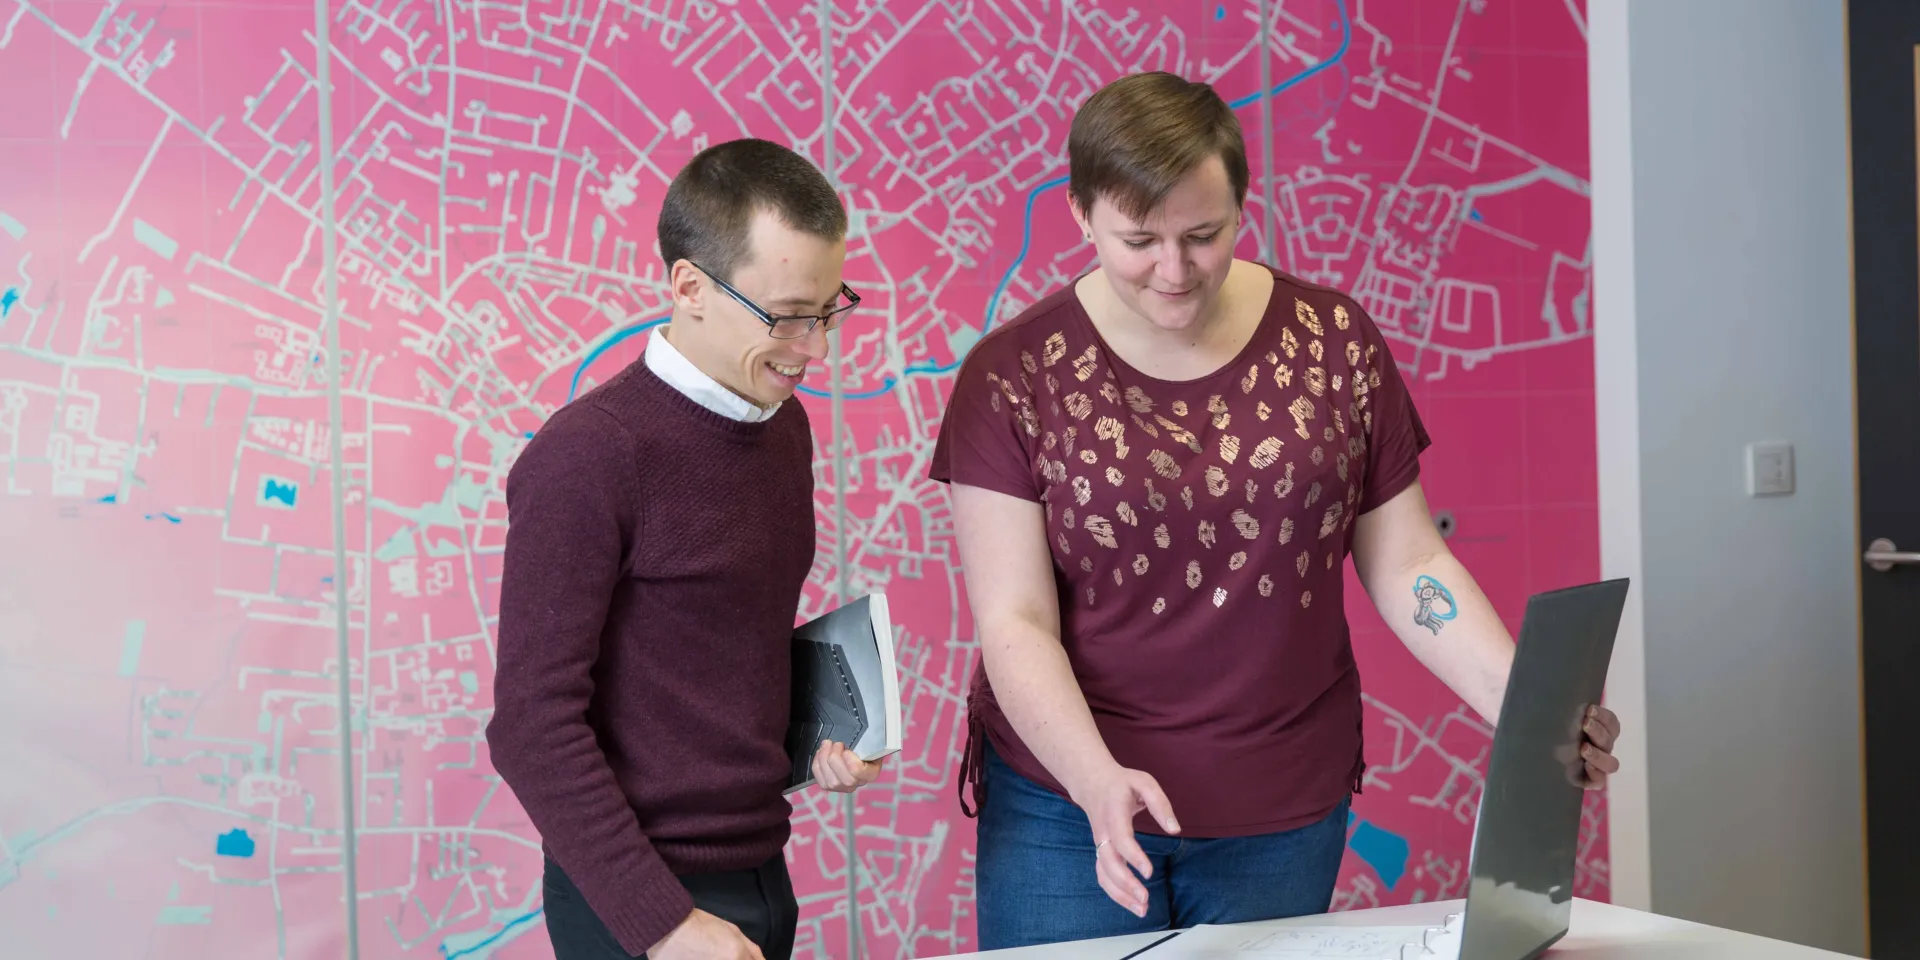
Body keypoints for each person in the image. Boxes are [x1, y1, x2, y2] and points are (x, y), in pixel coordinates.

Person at [928, 72, 1622, 949]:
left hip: (1281, 806)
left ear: (1242, 206)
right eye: (1137, 240)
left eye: (1203, 235)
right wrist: (1095, 778)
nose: (1174, 272)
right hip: (1067, 807)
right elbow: (1015, 618)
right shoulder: (1012, 375)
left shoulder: (1334, 342)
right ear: (1079, 215)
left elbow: (1410, 565)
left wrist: (1528, 713)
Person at [487, 138, 883, 960]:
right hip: (642, 902)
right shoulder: (588, 457)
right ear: (689, 287)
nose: (815, 349)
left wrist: (820, 738)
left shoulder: (783, 428)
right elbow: (530, 724)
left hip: (764, 870)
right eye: (787, 316)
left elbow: (716, 644)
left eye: (827, 309)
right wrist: (662, 924)